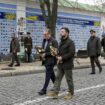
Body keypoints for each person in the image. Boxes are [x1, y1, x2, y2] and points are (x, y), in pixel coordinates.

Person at [48, 27, 75, 100]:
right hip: (60, 64)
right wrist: (56, 52)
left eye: (62, 31)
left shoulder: (70, 42)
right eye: (61, 32)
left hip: (68, 64)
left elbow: (71, 53)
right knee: (58, 78)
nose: (61, 33)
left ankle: (71, 93)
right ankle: (55, 92)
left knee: (69, 79)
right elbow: (59, 52)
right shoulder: (60, 42)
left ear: (67, 33)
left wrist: (62, 57)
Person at [38, 28, 58, 95]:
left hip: (51, 61)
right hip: (45, 60)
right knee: (52, 74)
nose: (44, 36)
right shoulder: (44, 40)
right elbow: (44, 50)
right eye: (43, 34)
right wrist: (40, 51)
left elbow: (54, 52)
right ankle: (57, 86)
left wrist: (45, 54)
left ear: (49, 34)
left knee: (48, 75)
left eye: (45, 34)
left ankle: (44, 90)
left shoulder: (54, 41)